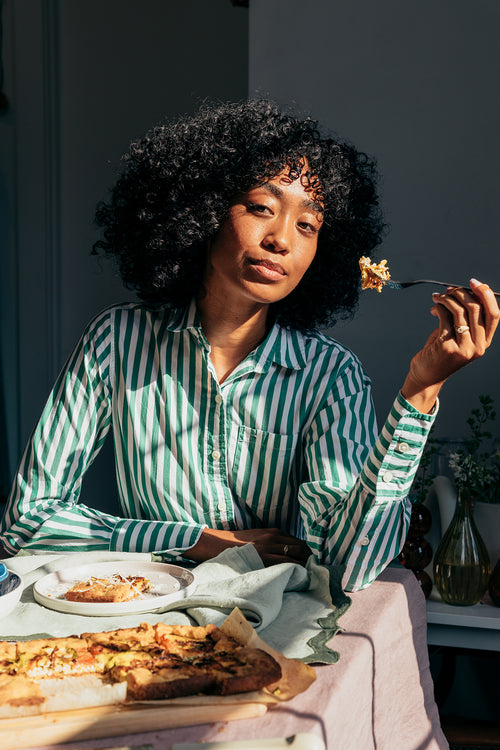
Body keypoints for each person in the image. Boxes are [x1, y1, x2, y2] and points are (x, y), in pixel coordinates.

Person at [1, 100, 498, 591]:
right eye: (261, 208)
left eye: (308, 225)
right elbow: (26, 523)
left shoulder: (330, 376)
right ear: (204, 212)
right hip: (139, 620)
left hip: (271, 631)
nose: (281, 239)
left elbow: (349, 565)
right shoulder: (115, 341)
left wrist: (420, 391)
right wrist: (195, 540)